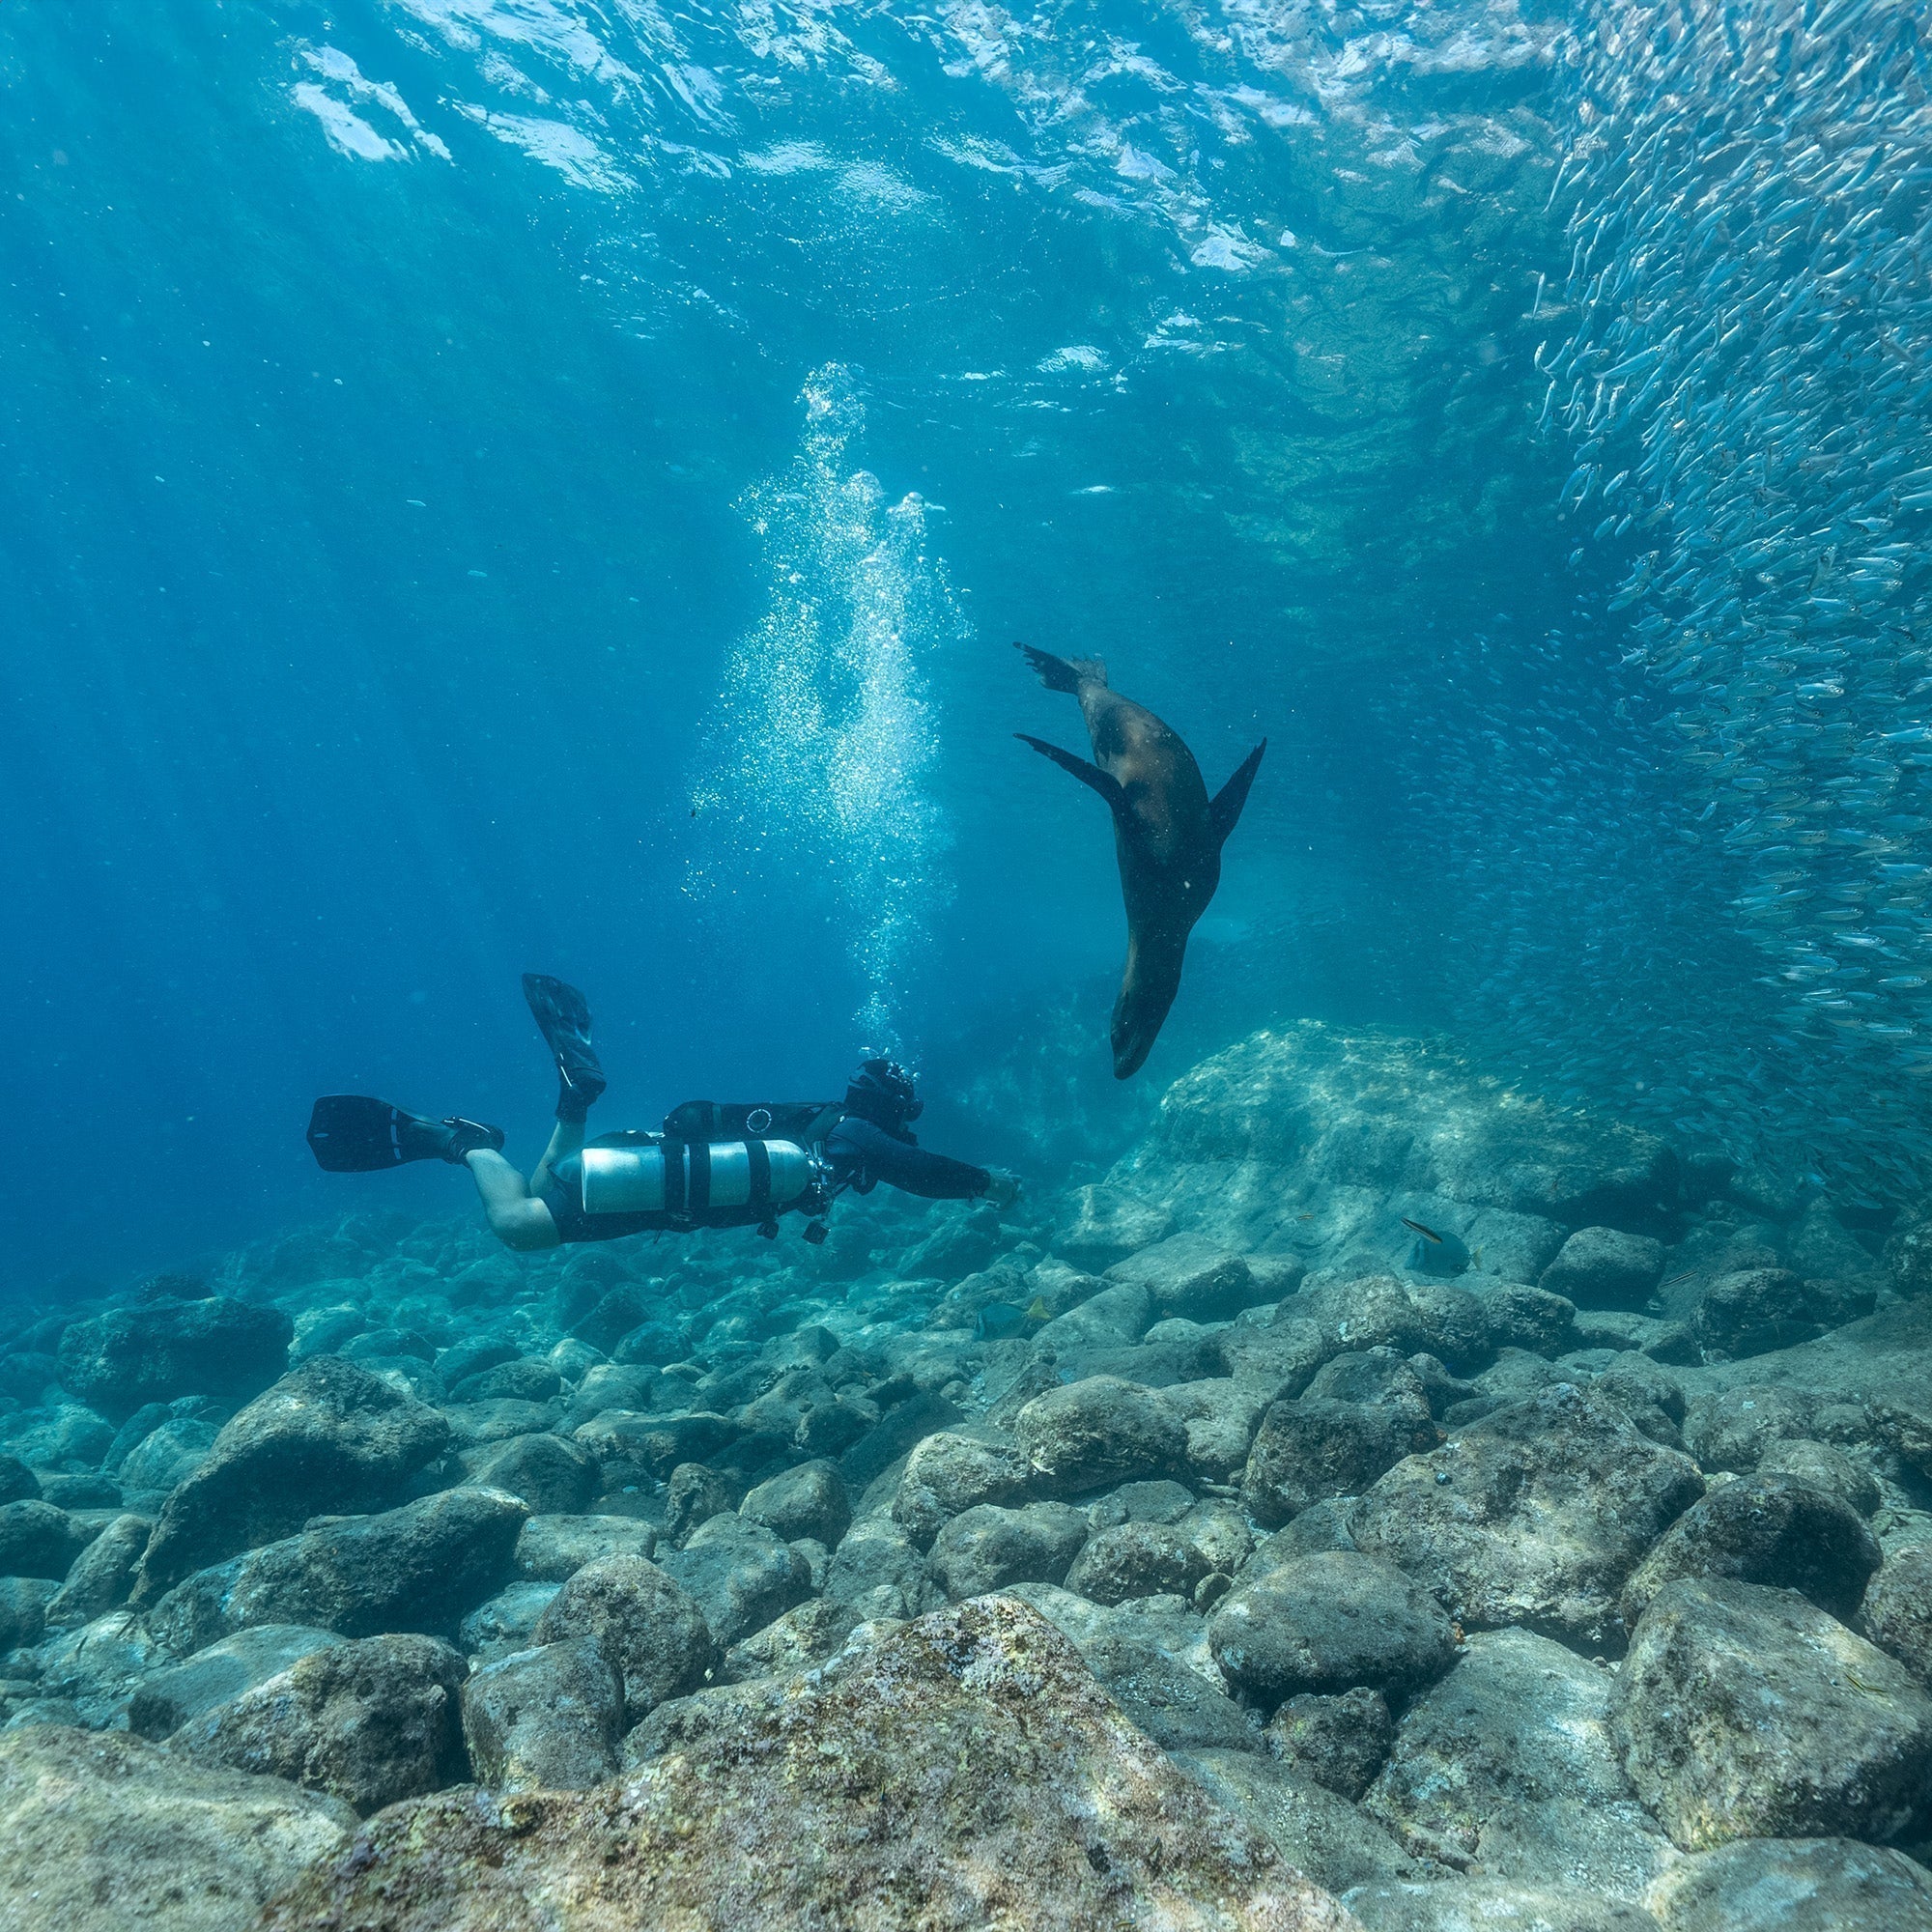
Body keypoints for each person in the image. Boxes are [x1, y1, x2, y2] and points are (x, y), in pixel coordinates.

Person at [305, 975, 1019, 1252]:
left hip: (646, 1172)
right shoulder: (851, 1135)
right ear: (891, 1110)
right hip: (655, 1190)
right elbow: (917, 1171)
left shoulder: (817, 1124)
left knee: (542, 1190)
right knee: (518, 1225)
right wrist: (987, 1183)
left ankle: (571, 1101)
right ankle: (461, 1142)